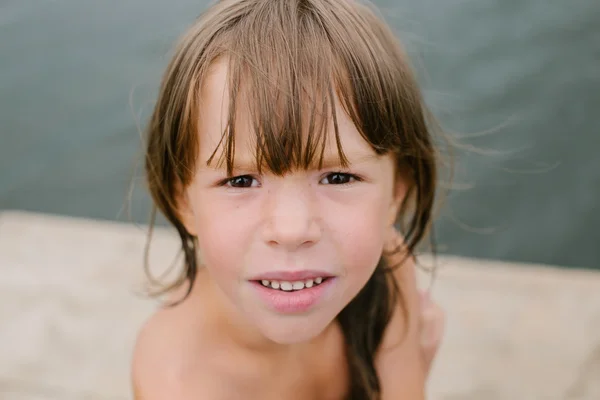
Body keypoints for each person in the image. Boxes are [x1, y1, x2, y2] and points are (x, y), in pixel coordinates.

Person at [132, 0, 445, 398]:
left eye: (338, 176)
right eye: (241, 180)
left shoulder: (388, 271)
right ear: (183, 202)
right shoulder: (180, 382)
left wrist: (401, 352)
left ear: (395, 193)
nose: (292, 229)